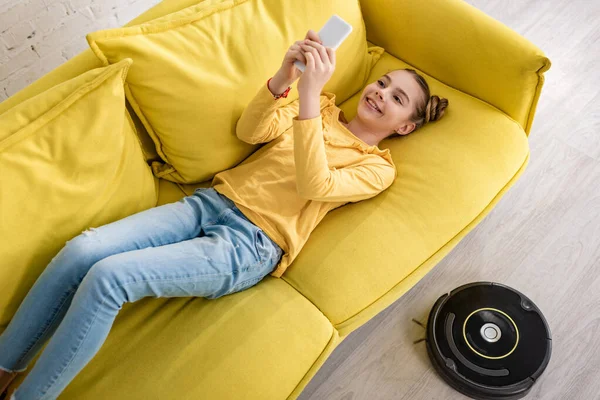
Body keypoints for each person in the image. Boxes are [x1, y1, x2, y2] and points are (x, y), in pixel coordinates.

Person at [0, 29, 448, 399]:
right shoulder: (321, 107)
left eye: (397, 98)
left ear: (404, 126)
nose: (381, 92)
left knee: (108, 279)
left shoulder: (376, 168)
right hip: (208, 204)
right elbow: (251, 130)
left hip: (248, 245)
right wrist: (283, 78)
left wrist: (308, 97)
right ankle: (3, 367)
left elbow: (317, 185)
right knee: (82, 250)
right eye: (383, 83)